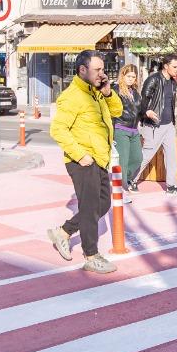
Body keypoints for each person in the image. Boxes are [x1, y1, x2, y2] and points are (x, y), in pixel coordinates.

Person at [46, 49, 122, 274]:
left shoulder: (96, 92)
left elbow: (117, 111)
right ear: (82, 70)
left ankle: (63, 232)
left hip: (99, 158)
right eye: (97, 70)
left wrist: (108, 93)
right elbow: (58, 129)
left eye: (102, 69)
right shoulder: (72, 96)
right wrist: (80, 155)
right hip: (83, 160)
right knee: (89, 209)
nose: (102, 74)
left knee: (103, 204)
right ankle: (91, 255)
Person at [137, 55, 177, 196]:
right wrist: (147, 111)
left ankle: (171, 186)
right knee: (146, 155)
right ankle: (130, 180)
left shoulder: (172, 82)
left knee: (171, 156)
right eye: (174, 67)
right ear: (166, 66)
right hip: (154, 125)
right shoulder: (153, 79)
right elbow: (142, 100)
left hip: (169, 125)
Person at [112, 64, 144, 194]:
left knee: (137, 158)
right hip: (121, 128)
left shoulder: (135, 93)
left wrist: (146, 114)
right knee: (123, 161)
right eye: (129, 76)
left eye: (134, 77)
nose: (131, 79)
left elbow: (138, 111)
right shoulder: (115, 91)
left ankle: (128, 179)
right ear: (122, 75)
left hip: (134, 130)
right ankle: (122, 188)